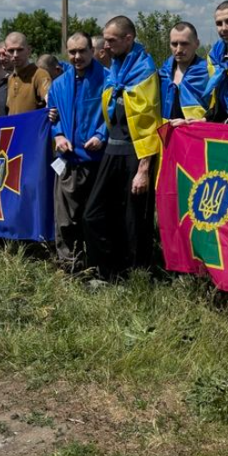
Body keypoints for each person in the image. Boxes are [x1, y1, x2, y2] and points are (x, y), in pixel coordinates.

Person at [84, 16, 162, 278]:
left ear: (129, 39)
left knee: (134, 219)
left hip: (134, 155)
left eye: (111, 40)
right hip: (111, 151)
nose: (105, 46)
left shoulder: (145, 73)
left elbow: (149, 124)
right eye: (104, 40)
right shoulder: (116, 69)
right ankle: (108, 270)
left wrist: (144, 169)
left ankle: (137, 275)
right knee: (94, 213)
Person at [47, 33, 107, 268]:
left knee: (95, 218)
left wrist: (101, 135)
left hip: (97, 161)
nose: (77, 56)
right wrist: (59, 134)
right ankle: (70, 264)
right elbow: (53, 115)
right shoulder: (59, 84)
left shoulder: (107, 79)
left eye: (82, 51)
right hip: (68, 161)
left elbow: (115, 115)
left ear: (92, 51)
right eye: (72, 52)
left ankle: (98, 264)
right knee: (65, 219)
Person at [159, 21, 209, 124]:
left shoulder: (208, 74)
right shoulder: (162, 74)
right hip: (165, 136)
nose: (178, 50)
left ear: (197, 44)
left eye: (184, 43)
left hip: (195, 135)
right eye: (174, 44)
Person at [4, 32, 52, 114]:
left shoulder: (40, 74)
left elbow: (50, 99)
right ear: (5, 52)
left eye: (20, 50)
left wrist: (50, 107)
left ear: (29, 50)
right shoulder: (10, 79)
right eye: (11, 50)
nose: (15, 55)